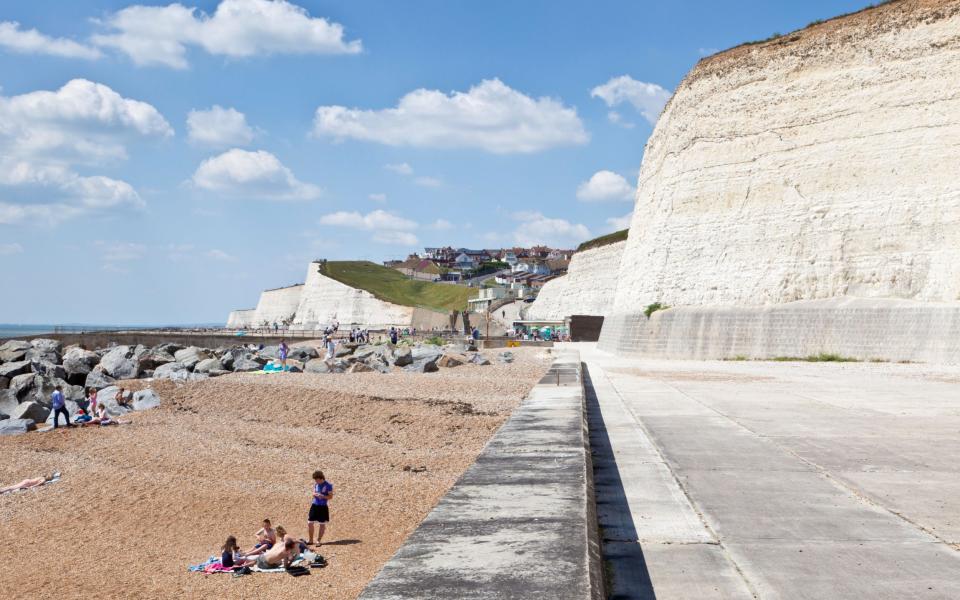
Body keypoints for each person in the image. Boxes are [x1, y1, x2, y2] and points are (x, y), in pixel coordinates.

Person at [307, 470, 334, 546]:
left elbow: (331, 497)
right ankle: (310, 540)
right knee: (309, 523)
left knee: (322, 524)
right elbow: (313, 492)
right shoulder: (316, 484)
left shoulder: (328, 485)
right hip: (314, 505)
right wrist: (314, 494)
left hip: (322, 507)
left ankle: (318, 540)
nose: (316, 481)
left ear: (321, 478)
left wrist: (323, 496)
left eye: (316, 479)